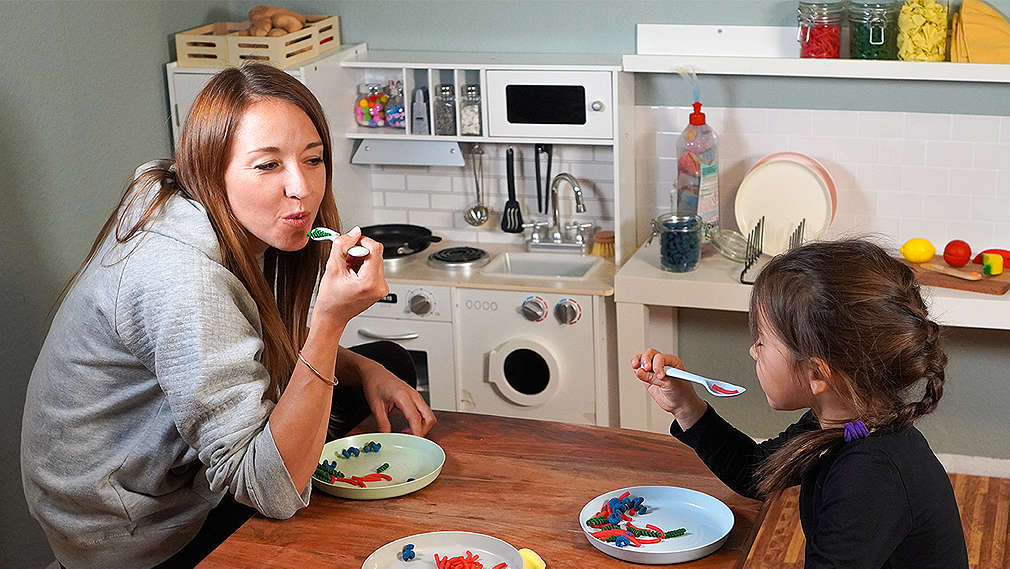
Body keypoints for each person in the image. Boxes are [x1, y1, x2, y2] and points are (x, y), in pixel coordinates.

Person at [21, 63, 436, 569]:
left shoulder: (189, 205)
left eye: (313, 159)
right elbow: (267, 491)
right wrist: (329, 322)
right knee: (298, 484)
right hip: (138, 537)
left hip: (171, 475)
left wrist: (368, 368)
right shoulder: (183, 277)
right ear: (211, 168)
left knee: (389, 360)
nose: (301, 189)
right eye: (267, 165)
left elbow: (255, 348)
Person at [632, 239, 968, 569]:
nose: (753, 350)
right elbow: (755, 473)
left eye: (762, 341)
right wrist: (686, 406)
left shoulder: (869, 477)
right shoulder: (845, 425)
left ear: (816, 374)